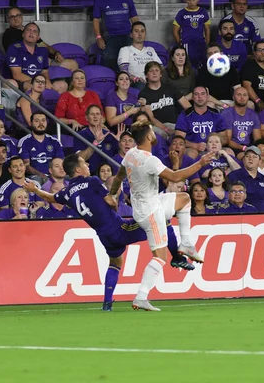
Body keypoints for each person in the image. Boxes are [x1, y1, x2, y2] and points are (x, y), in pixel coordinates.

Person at [25, 153, 193, 311]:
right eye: (84, 163)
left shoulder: (67, 192)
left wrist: (35, 190)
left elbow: (50, 198)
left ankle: (107, 304)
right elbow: (109, 200)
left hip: (104, 236)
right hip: (119, 229)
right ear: (77, 169)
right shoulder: (92, 181)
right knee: (162, 220)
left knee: (115, 263)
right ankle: (177, 258)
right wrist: (113, 203)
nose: (87, 165)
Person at [107, 120, 214, 311]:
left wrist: (112, 194)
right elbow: (174, 177)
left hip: (146, 205)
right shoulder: (150, 160)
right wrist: (201, 163)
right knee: (160, 257)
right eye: (152, 131)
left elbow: (119, 176)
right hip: (151, 212)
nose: (154, 134)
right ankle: (141, 296)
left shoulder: (131, 154)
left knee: (184, 199)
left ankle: (187, 244)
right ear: (148, 136)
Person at [2, 7, 74, 72]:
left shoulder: (29, 30)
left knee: (72, 64)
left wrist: (56, 53)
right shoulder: (8, 35)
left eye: (18, 15)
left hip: (44, 60)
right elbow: (16, 54)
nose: (16, 18)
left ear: (22, 16)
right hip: (27, 64)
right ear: (8, 19)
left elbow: (43, 45)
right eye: (12, 17)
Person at [93, 0, 139, 72]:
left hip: (127, 36)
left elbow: (134, 18)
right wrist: (98, 37)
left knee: (129, 64)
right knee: (110, 65)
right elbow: (96, 20)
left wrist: (138, 34)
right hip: (109, 38)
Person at [175, 86, 229, 159]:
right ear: (193, 98)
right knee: (192, 153)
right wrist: (195, 145)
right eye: (196, 94)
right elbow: (179, 139)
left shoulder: (216, 114)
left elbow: (224, 139)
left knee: (229, 152)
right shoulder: (185, 115)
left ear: (207, 97)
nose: (200, 97)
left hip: (214, 149)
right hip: (193, 148)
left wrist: (213, 145)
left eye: (203, 94)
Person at [227, 145, 264, 212]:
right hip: (242, 217)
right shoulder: (233, 175)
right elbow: (228, 199)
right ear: (243, 160)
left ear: (259, 161)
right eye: (247, 156)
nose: (250, 159)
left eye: (254, 157)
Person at [139, 62, 182, 138]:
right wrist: (166, 129)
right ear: (146, 75)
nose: (154, 73)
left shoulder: (170, 88)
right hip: (157, 127)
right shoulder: (143, 94)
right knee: (158, 135)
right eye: (151, 71)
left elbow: (186, 105)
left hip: (174, 124)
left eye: (157, 70)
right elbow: (151, 118)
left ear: (161, 74)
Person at [6, 22, 52, 92]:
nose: (31, 33)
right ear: (23, 34)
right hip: (20, 82)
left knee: (61, 85)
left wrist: (47, 81)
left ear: (38, 37)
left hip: (38, 82)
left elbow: (44, 71)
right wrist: (37, 83)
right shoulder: (14, 49)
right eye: (29, 30)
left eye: (34, 31)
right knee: (31, 88)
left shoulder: (43, 50)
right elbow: (17, 75)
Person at [18, 112, 64, 181]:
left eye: (43, 120)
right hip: (34, 177)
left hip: (53, 175)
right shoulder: (24, 141)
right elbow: (26, 166)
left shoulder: (55, 141)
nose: (41, 123)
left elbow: (60, 162)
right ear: (31, 123)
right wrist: (42, 176)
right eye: (37, 121)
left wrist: (53, 177)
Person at [73, 105, 119, 174]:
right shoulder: (80, 136)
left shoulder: (109, 135)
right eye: (92, 114)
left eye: (97, 114)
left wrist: (120, 143)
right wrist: (96, 142)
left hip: (109, 175)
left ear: (101, 117)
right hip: (91, 175)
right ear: (87, 118)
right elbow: (80, 159)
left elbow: (119, 156)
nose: (95, 116)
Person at [172, 0, 210, 69]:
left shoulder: (203, 12)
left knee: (203, 63)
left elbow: (207, 29)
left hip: (200, 42)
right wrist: (180, 43)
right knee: (189, 64)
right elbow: (175, 31)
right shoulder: (181, 13)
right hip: (187, 43)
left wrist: (207, 43)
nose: (191, 2)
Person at [117, 21, 162, 89]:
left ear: (145, 34)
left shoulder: (150, 50)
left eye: (142, 31)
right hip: (136, 83)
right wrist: (135, 78)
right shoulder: (125, 50)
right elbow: (124, 71)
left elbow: (161, 68)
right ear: (131, 34)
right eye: (136, 31)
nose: (140, 34)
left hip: (153, 81)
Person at [221, 86, 261, 158]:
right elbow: (228, 140)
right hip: (233, 148)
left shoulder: (253, 115)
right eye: (239, 95)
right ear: (233, 97)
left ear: (248, 97)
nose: (242, 97)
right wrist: (243, 148)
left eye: (245, 95)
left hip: (249, 147)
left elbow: (257, 139)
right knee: (245, 157)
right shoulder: (227, 113)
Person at [241, 40, 264, 110]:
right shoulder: (249, 65)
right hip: (254, 103)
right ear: (254, 53)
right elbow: (247, 86)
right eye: (259, 50)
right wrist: (258, 102)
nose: (262, 53)